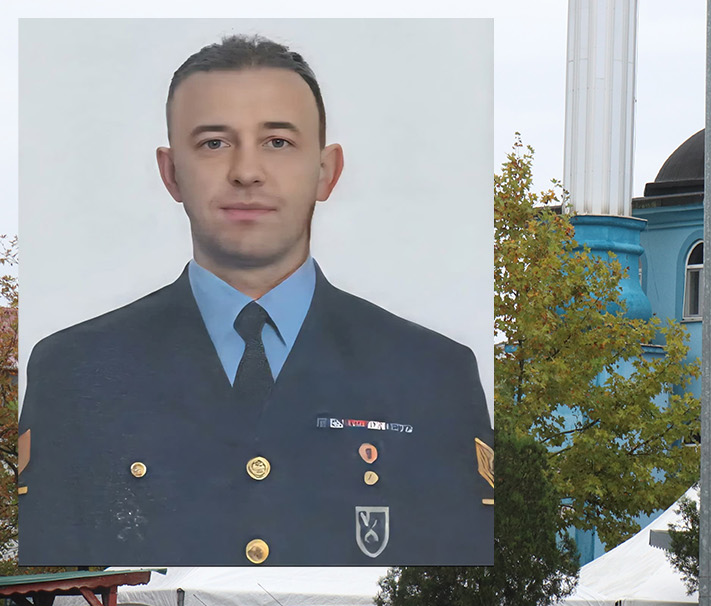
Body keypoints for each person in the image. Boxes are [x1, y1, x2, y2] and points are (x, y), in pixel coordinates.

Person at [17, 35, 493, 566]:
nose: (246, 171)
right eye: (214, 143)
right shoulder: (74, 371)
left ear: (326, 172)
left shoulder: (433, 374)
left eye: (278, 142)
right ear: (171, 173)